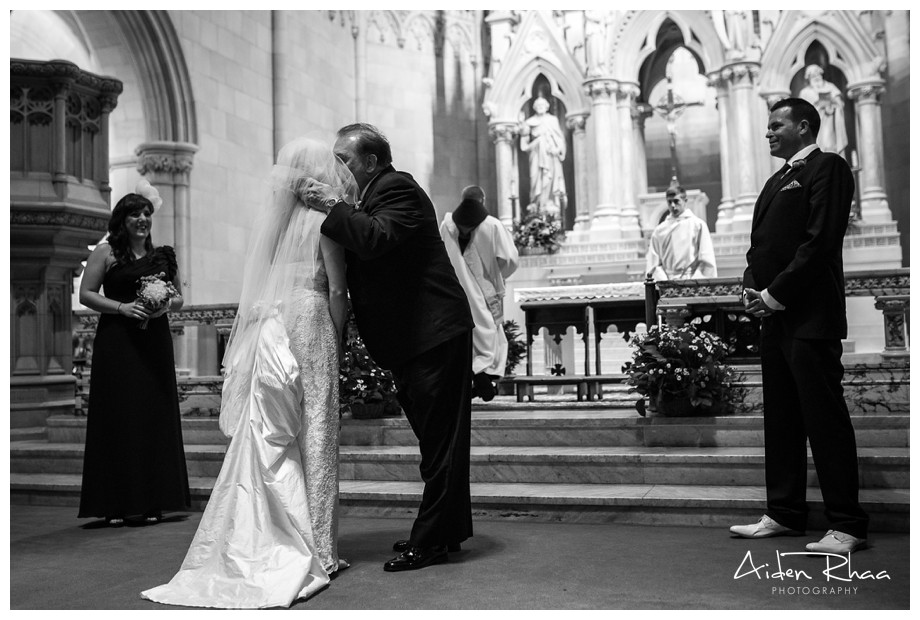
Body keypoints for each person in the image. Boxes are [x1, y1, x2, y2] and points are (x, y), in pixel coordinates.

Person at [142, 138, 354, 608]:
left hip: (276, 323)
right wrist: (339, 337)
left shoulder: (276, 224)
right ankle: (319, 546)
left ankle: (268, 532)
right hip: (313, 318)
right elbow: (337, 290)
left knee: (274, 433)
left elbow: (265, 276)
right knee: (316, 429)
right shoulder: (328, 222)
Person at [306, 122, 474, 572]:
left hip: (433, 334)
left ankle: (432, 541)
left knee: (440, 445)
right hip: (414, 339)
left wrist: (330, 205)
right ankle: (447, 531)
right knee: (437, 443)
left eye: (344, 159)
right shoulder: (369, 197)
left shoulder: (397, 187)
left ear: (372, 162)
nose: (337, 166)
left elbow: (375, 239)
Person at [730, 97, 868, 554]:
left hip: (810, 317)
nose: (768, 132)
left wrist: (774, 295)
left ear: (804, 126)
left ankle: (847, 523)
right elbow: (759, 249)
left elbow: (820, 241)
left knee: (824, 419)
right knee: (783, 421)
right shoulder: (776, 180)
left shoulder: (827, 167)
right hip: (776, 319)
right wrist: (754, 289)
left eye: (776, 125)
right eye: (768, 126)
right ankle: (785, 513)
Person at [77, 182, 189, 528]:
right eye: (134, 214)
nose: (142, 219)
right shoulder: (106, 252)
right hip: (118, 342)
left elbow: (180, 298)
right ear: (121, 220)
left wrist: (164, 304)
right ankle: (115, 503)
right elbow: (86, 294)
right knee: (118, 416)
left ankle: (155, 500)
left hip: (153, 340)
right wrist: (122, 307)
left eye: (146, 214)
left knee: (154, 415)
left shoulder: (163, 256)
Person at [439, 185, 519, 402]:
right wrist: (496, 274)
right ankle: (482, 374)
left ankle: (473, 379)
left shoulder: (446, 226)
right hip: (484, 291)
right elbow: (510, 259)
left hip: (454, 290)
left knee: (463, 336)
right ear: (481, 200)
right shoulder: (492, 225)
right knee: (489, 332)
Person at [644, 185, 717, 281]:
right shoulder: (659, 231)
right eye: (669, 202)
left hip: (692, 280)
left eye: (676, 201)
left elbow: (706, 259)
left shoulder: (697, 225)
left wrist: (694, 281)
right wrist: (665, 282)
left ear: (685, 201)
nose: (673, 205)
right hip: (667, 282)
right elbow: (654, 263)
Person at [519, 97, 567, 214]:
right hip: (536, 156)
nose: (540, 107)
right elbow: (524, 142)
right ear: (534, 107)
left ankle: (551, 202)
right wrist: (522, 124)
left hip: (551, 156)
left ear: (547, 107)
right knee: (536, 179)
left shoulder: (553, 120)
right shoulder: (530, 122)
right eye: (538, 105)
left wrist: (557, 149)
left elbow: (560, 139)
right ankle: (537, 203)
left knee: (550, 178)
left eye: (542, 105)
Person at [798, 64, 848, 157]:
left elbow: (840, 103)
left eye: (818, 74)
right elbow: (801, 112)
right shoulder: (805, 92)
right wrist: (817, 105)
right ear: (808, 78)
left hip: (830, 123)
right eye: (813, 76)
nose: (816, 77)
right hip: (814, 125)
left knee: (829, 145)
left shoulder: (831, 87)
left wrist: (833, 104)